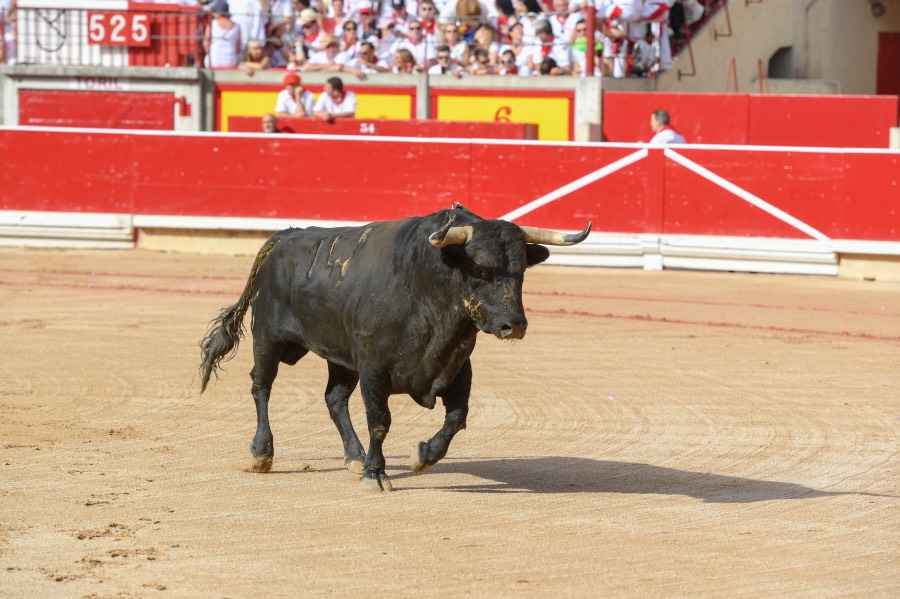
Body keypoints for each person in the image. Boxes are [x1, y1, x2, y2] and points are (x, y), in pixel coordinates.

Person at [204, 0, 242, 68]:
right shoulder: (237, 26)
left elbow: (206, 44)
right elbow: (238, 48)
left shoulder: (212, 24)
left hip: (213, 61)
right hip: (230, 62)